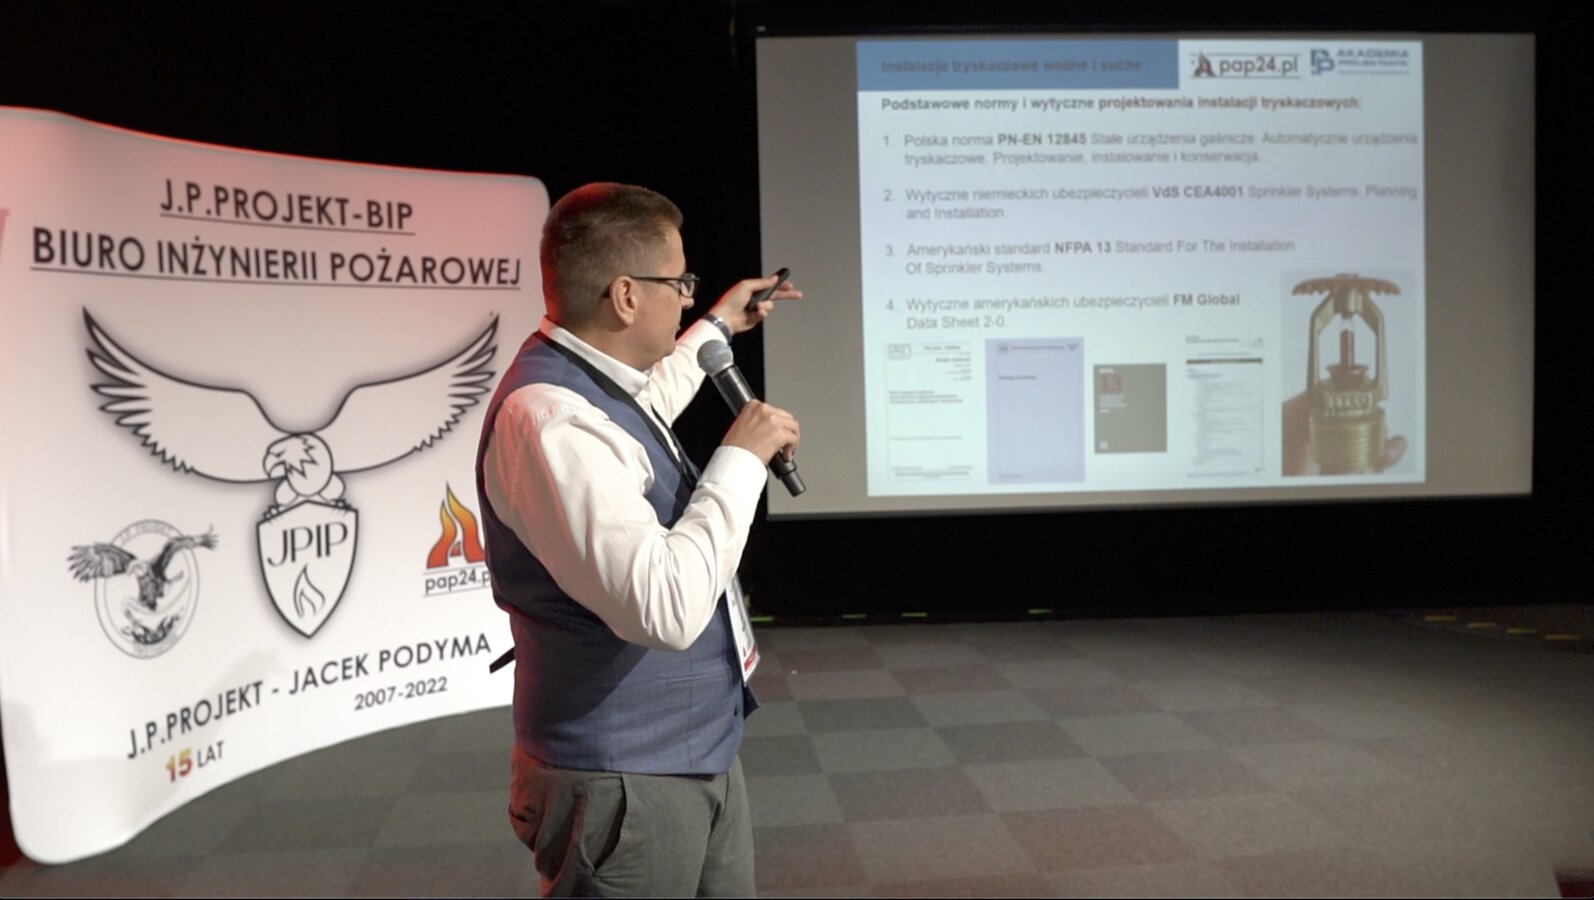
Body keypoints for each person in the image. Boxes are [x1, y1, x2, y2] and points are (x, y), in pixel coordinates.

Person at [475, 182, 799, 897]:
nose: (687, 297)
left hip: (689, 751)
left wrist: (718, 325)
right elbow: (665, 610)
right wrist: (739, 459)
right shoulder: (551, 421)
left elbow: (648, 400)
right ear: (625, 296)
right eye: (679, 283)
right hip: (621, 780)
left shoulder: (593, 382)